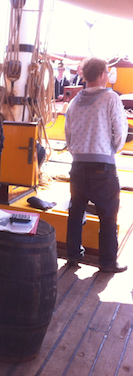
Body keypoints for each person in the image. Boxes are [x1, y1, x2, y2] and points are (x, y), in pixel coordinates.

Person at [65, 57, 128, 273]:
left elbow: (68, 137)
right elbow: (120, 134)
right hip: (103, 166)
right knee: (108, 216)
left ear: (84, 75)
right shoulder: (111, 98)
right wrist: (112, 150)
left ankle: (72, 257)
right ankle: (107, 263)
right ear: (103, 74)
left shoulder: (73, 101)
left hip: (78, 165)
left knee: (76, 213)